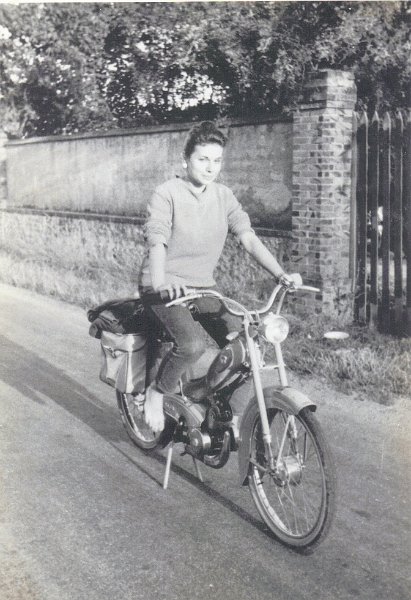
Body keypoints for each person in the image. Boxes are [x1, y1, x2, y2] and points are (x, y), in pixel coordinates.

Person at [139, 121, 295, 432]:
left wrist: (281, 273)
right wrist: (161, 283)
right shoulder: (167, 193)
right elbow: (157, 241)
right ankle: (155, 393)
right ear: (186, 160)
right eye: (202, 159)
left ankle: (202, 397)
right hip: (164, 287)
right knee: (192, 345)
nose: (210, 167)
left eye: (216, 160)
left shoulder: (223, 196)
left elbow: (248, 238)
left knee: (247, 346)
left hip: (202, 288)